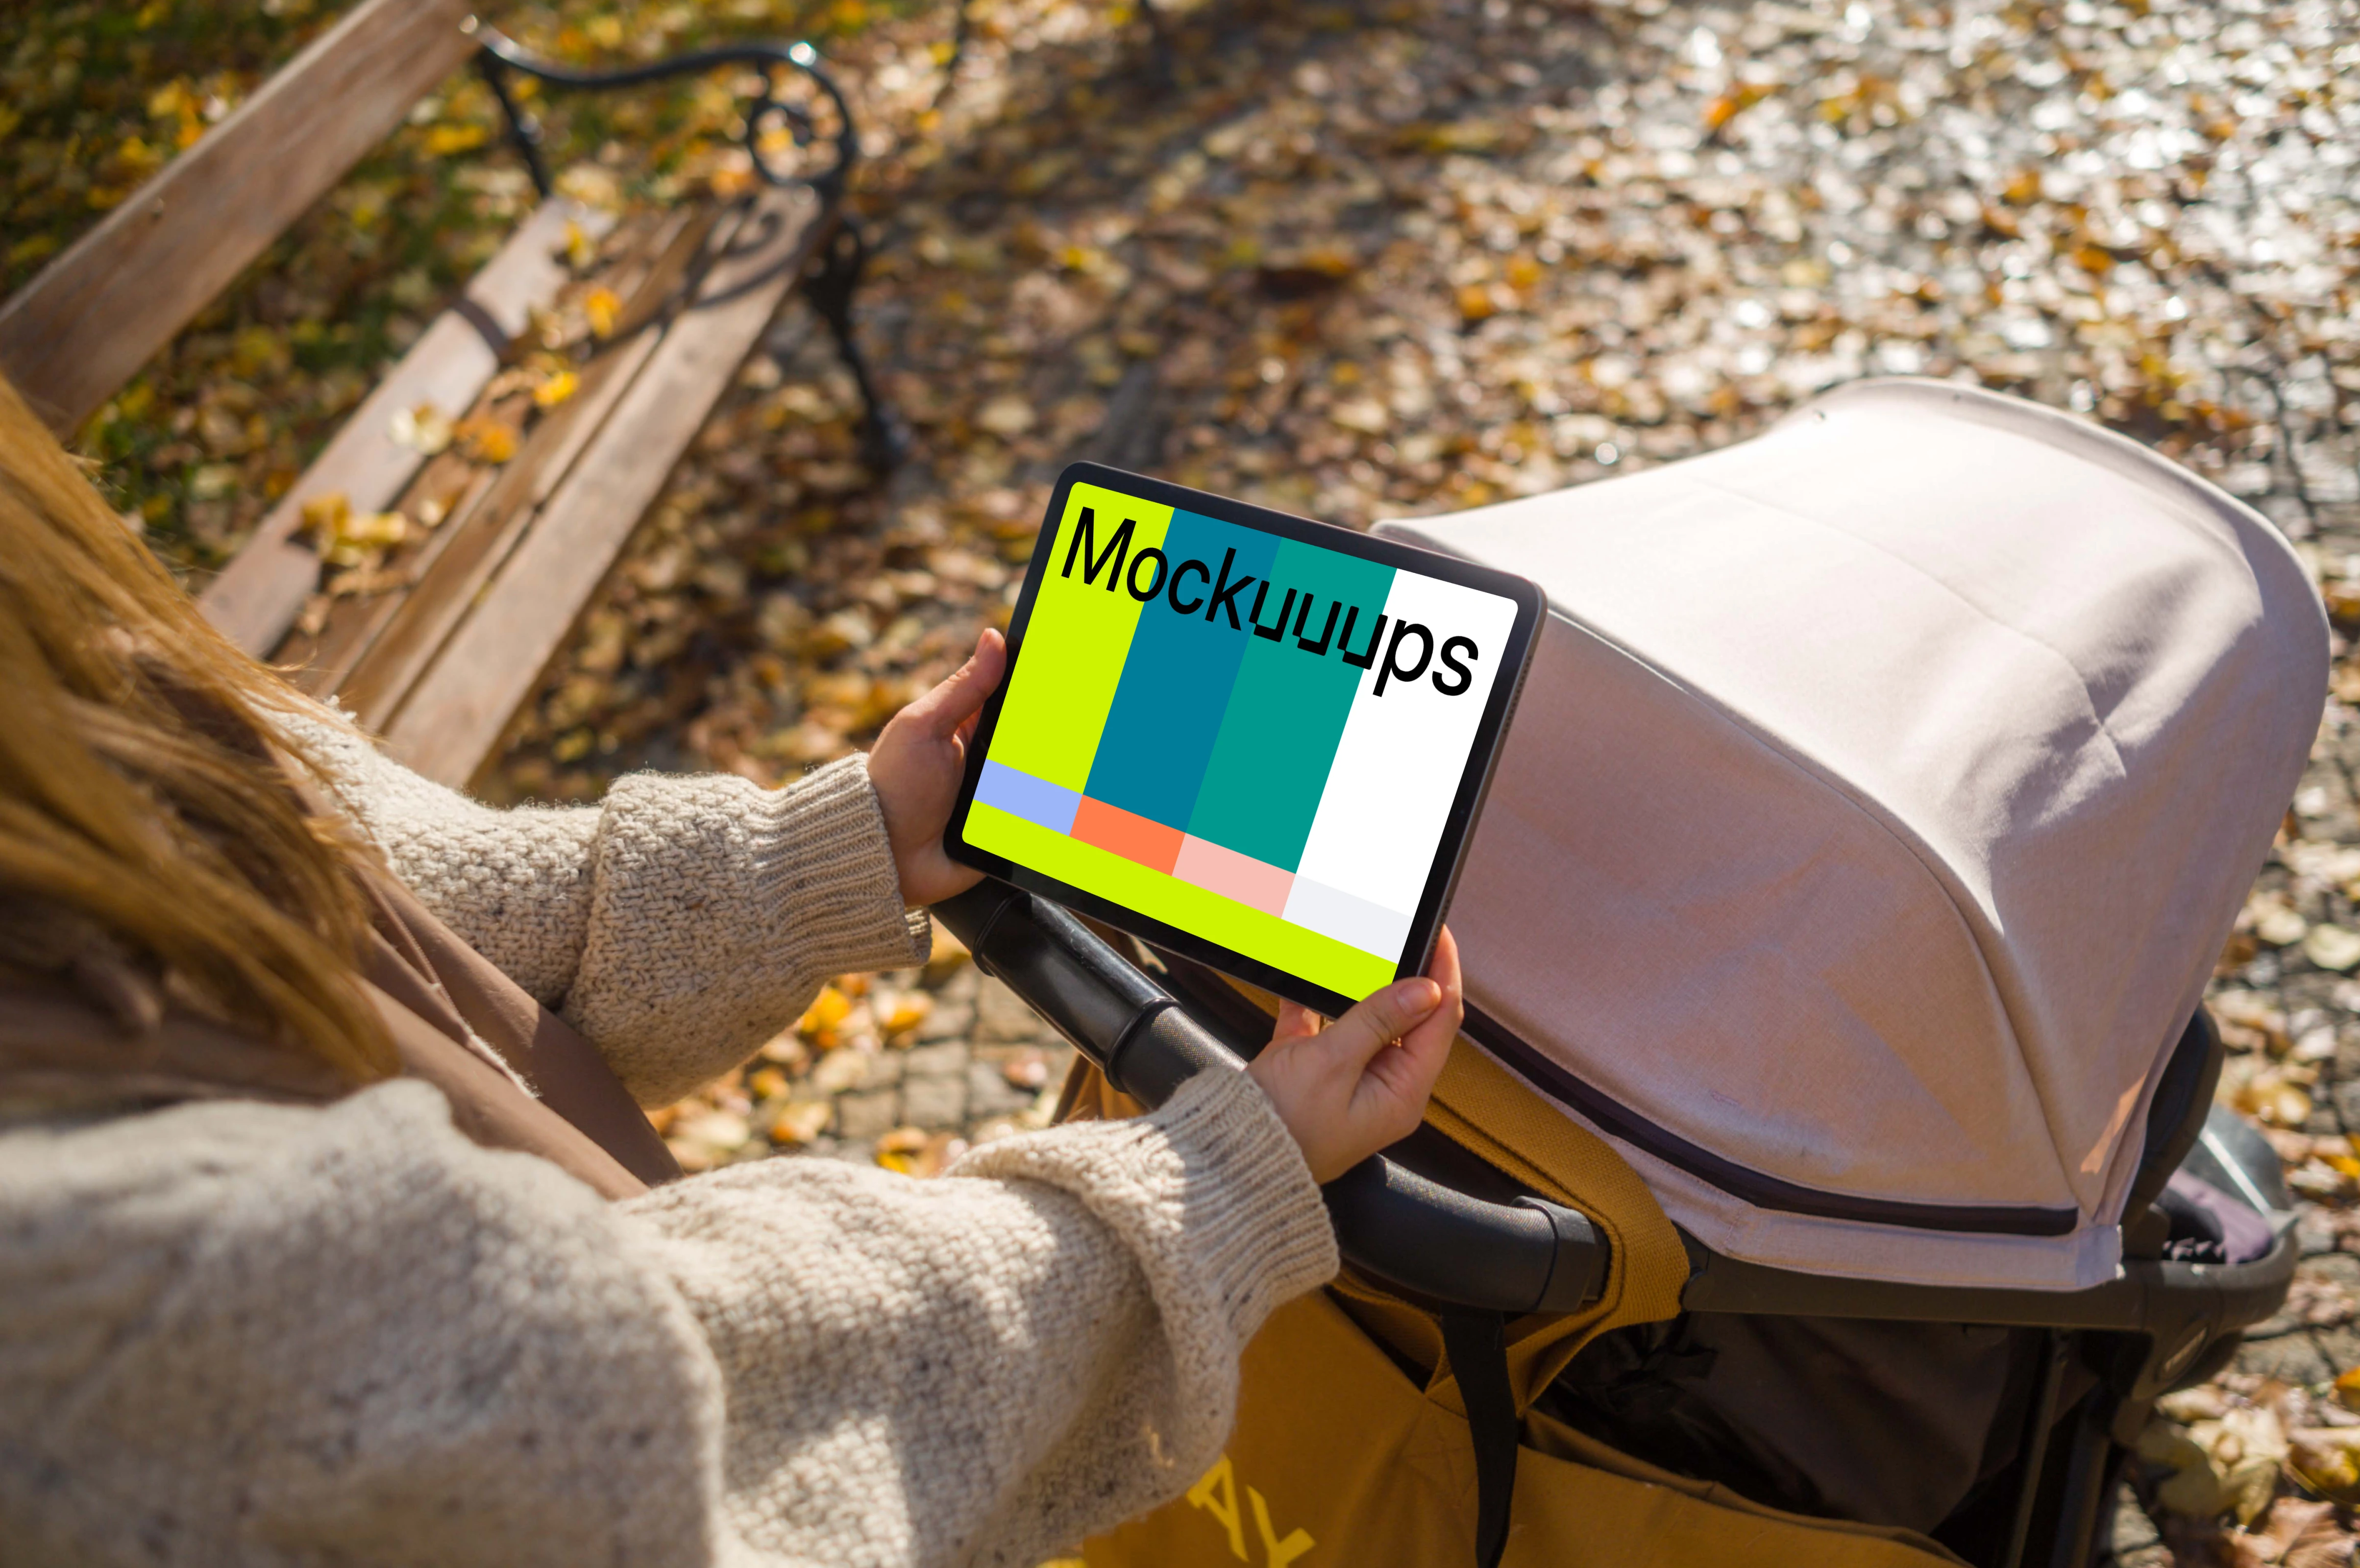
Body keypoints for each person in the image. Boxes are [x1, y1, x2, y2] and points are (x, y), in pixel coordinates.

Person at [0, 372, 1465, 1568]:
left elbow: (392, 899)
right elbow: (734, 1429)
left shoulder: (60, 685)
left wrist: (824, 857)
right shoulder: (97, 1295)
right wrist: (1221, 1180)